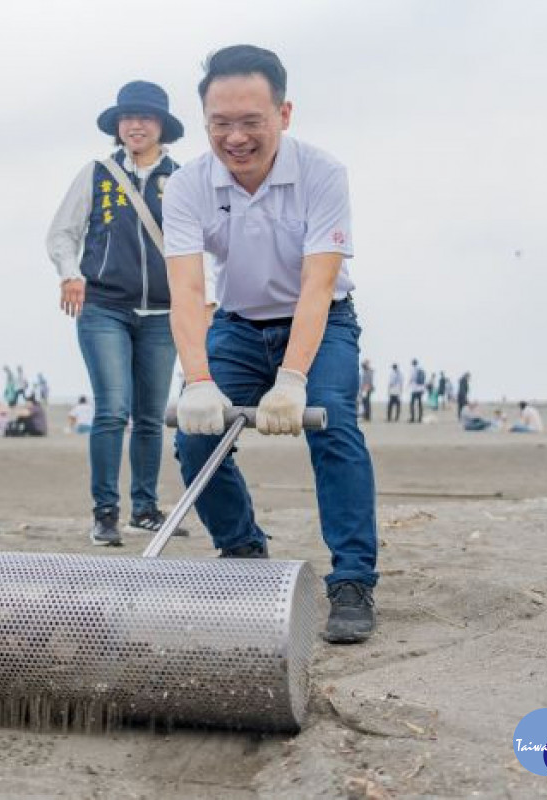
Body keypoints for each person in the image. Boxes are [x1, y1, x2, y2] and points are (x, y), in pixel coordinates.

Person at [164, 45, 378, 644]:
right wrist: (198, 379)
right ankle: (243, 552)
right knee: (193, 438)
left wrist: (292, 379)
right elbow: (185, 290)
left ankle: (353, 581)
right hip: (236, 324)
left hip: (323, 320)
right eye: (220, 124)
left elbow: (318, 283)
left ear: (283, 114)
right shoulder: (186, 186)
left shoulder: (322, 173)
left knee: (333, 429)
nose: (235, 138)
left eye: (250, 122)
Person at [46, 79, 187, 544]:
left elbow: (201, 244)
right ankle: (105, 513)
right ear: (118, 126)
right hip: (104, 307)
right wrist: (71, 274)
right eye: (128, 117)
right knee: (112, 410)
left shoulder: (182, 179)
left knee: (150, 416)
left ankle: (144, 508)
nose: (136, 125)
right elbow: (62, 232)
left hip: (163, 314)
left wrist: (203, 294)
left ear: (161, 125)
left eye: (145, 117)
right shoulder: (97, 172)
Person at [407, 358, 426, 423]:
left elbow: (411, 378)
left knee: (412, 404)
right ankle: (420, 418)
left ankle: (412, 418)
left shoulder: (413, 370)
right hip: (420, 389)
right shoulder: (421, 369)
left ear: (412, 363)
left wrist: (408, 385)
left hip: (414, 389)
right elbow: (423, 379)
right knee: (420, 404)